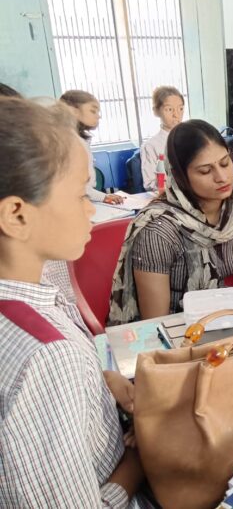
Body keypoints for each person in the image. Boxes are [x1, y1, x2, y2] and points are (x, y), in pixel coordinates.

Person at [0, 98, 145, 506]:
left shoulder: (34, 304)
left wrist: (98, 380)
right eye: (81, 193)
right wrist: (137, 464)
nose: (90, 209)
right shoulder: (47, 355)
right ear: (16, 214)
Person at [108, 119, 233, 324]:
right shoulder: (159, 231)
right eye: (205, 171)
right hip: (177, 326)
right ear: (180, 176)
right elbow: (157, 322)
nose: (222, 177)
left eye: (225, 163)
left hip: (223, 313)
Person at [60, 90, 124, 205]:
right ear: (73, 111)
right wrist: (103, 197)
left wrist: (104, 196)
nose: (98, 116)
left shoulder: (77, 140)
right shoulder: (71, 143)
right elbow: (76, 187)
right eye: (93, 110)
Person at [140, 86, 185, 191]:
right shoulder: (151, 146)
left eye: (181, 108)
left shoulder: (192, 138)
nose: (176, 115)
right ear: (156, 111)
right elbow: (149, 184)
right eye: (169, 109)